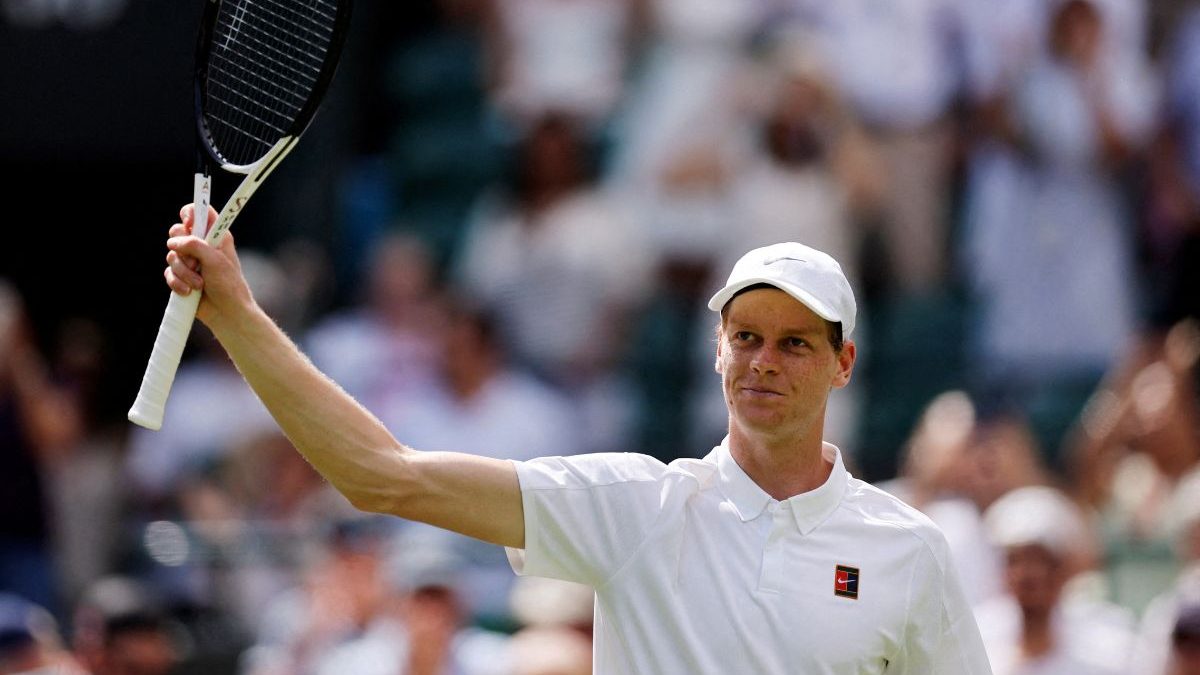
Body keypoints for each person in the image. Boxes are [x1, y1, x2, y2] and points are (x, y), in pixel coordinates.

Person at [161, 207, 991, 673]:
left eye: (794, 342)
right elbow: (384, 477)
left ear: (843, 363)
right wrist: (234, 311)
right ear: (717, 349)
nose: (762, 362)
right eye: (745, 336)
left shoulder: (908, 549)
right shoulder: (635, 507)